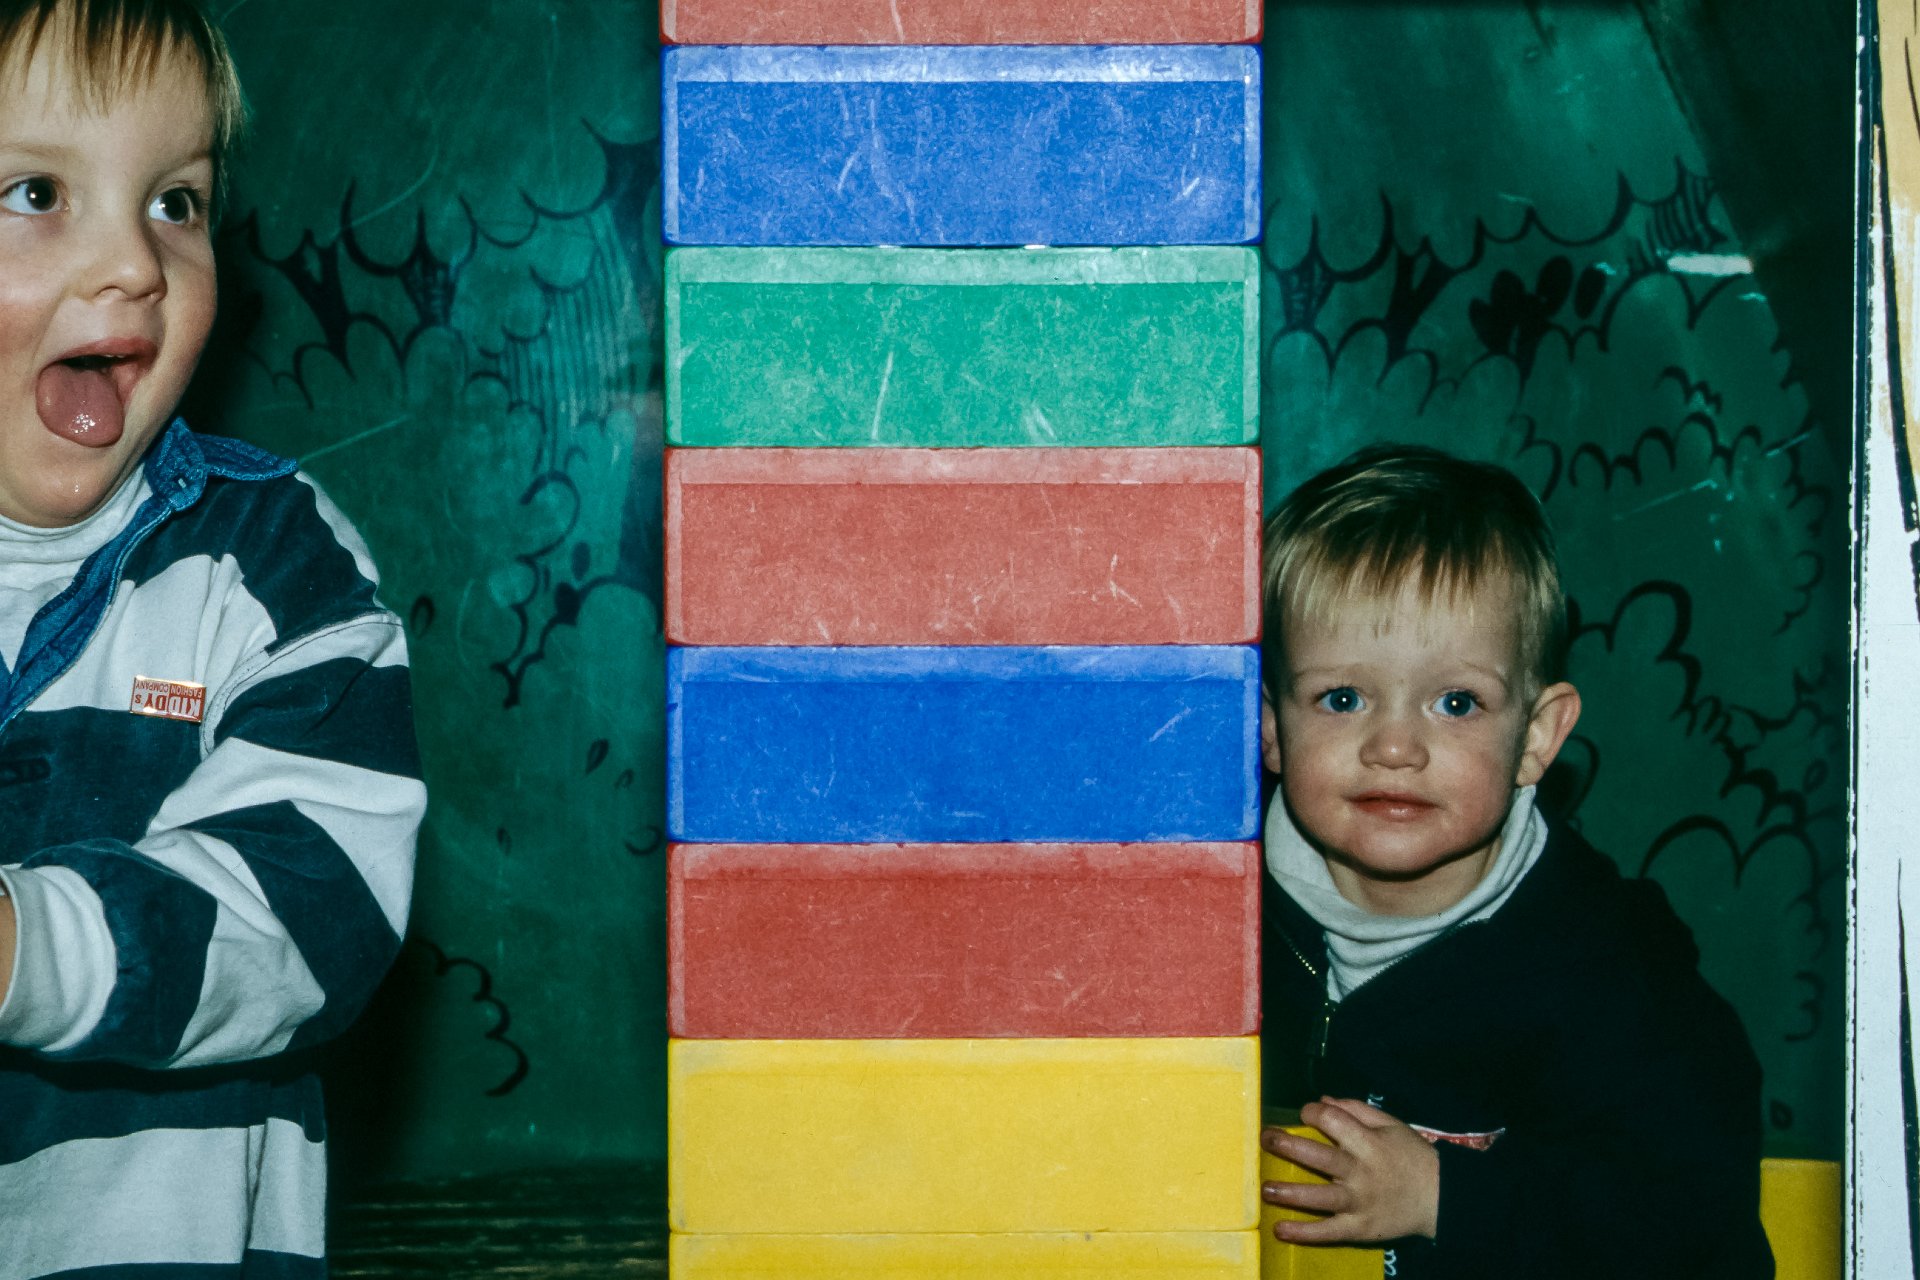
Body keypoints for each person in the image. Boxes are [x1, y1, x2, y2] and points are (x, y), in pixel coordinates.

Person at [0, 2, 424, 1273]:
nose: (135, 263)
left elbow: (311, 908)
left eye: (175, 203)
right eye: (37, 192)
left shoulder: (274, 565)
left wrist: (25, 945)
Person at [1257, 445, 1772, 1278]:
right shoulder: (1207, 910)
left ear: (1536, 736)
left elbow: (1702, 1232)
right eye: (1341, 698)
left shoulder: (1611, 966)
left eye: (1456, 702)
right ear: (1270, 727)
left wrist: (1445, 1196)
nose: (1395, 746)